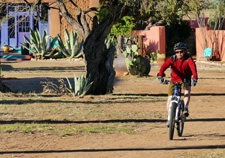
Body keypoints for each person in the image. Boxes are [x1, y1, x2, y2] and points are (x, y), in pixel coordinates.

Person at [157, 42, 198, 127]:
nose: (179, 54)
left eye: (181, 51)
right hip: (174, 80)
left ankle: (185, 108)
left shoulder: (188, 59)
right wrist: (160, 75)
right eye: (177, 52)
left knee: (187, 91)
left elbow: (193, 68)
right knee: (170, 98)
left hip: (185, 79)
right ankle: (169, 118)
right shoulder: (172, 59)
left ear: (185, 51)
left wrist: (195, 78)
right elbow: (164, 66)